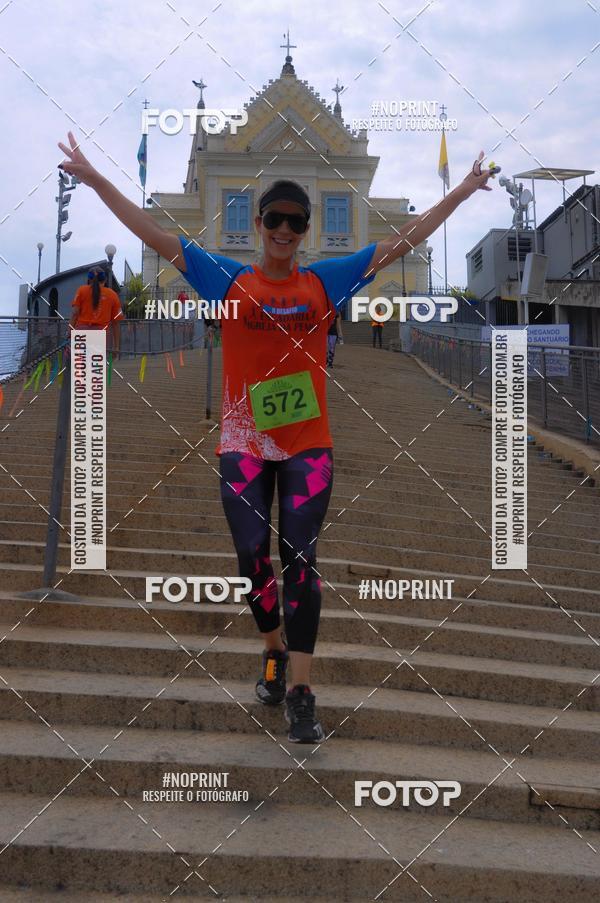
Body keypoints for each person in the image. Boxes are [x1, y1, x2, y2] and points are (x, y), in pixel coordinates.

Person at [58, 131, 494, 743]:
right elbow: (152, 232)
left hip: (308, 448)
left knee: (301, 559)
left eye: (297, 221)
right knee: (251, 559)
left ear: (306, 227)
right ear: (260, 224)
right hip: (243, 446)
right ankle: (272, 649)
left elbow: (404, 242)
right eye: (275, 219)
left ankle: (301, 690)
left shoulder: (324, 282)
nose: (285, 230)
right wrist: (97, 178)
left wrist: (466, 191)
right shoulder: (227, 280)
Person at [69, 267, 123, 356]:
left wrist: (69, 333)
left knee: (80, 368)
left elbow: (75, 314)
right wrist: (116, 347)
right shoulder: (113, 295)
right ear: (105, 280)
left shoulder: (81, 290)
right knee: (97, 368)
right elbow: (116, 323)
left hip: (81, 334)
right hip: (101, 335)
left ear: (89, 280)